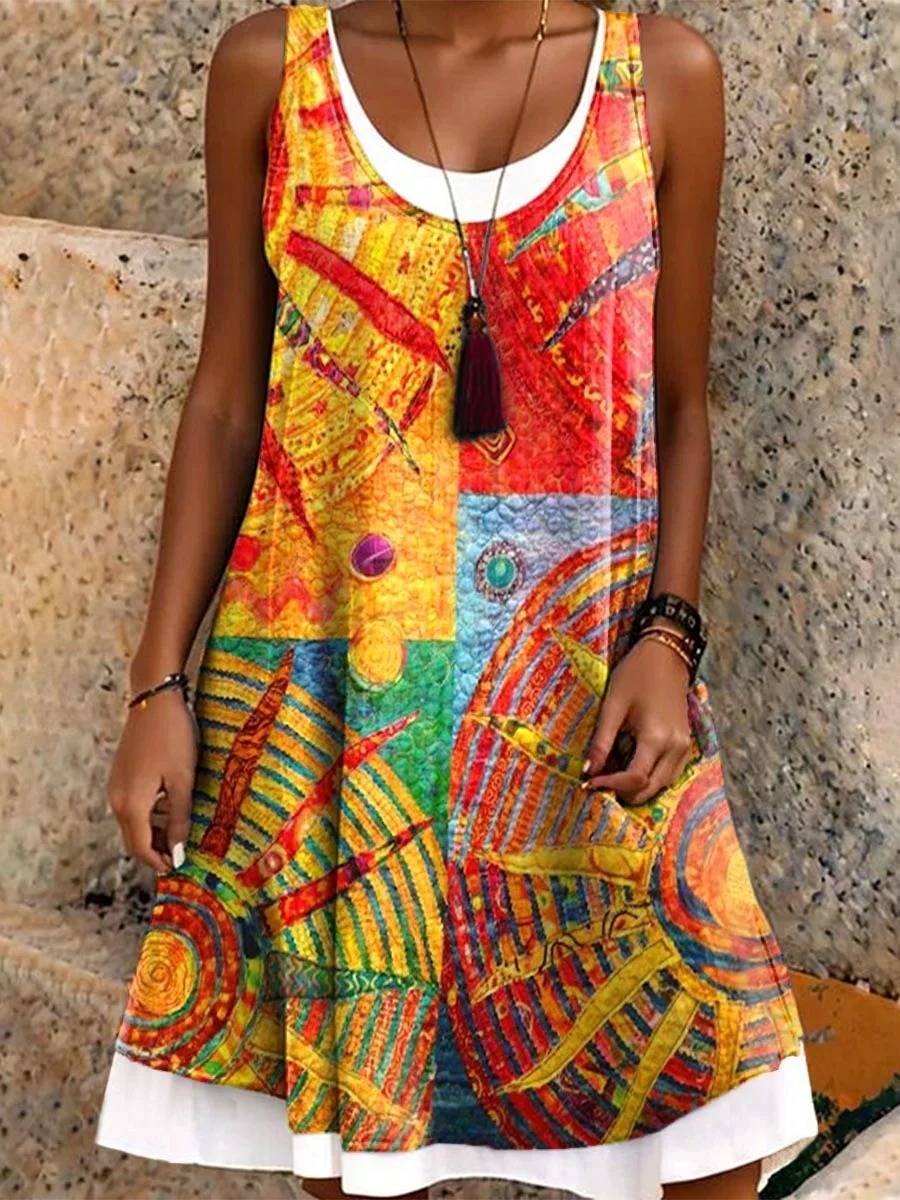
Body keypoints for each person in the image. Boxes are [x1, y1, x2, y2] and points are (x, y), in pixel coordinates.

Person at [94, 2, 820, 1198]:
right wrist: (156, 681)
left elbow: (684, 403)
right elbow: (226, 398)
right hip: (333, 689)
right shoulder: (276, 71)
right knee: (356, 1137)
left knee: (710, 1114)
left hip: (582, 684)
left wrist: (669, 634)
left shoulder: (662, 79)